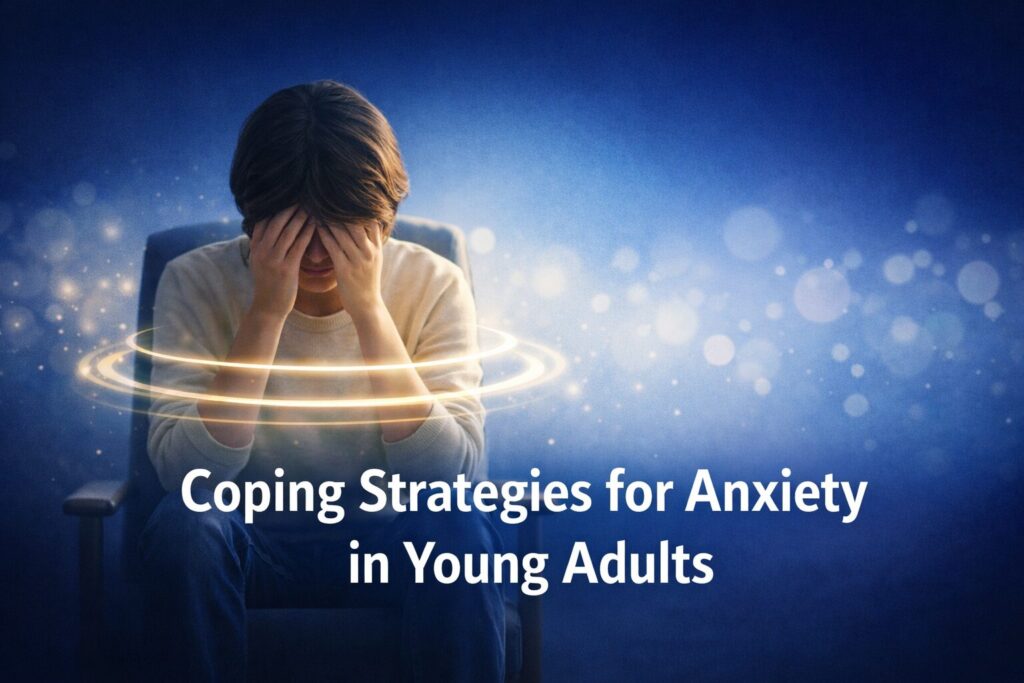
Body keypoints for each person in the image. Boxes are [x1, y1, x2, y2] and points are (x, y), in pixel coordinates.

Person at [139, 80, 504, 682]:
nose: (315, 255)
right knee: (187, 523)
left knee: (457, 525)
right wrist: (266, 311)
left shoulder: (434, 282)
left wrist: (370, 311)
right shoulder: (193, 280)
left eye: (341, 230)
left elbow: (450, 476)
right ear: (253, 217)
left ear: (383, 222)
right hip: (248, 549)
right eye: (293, 230)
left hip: (389, 552)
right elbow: (187, 476)